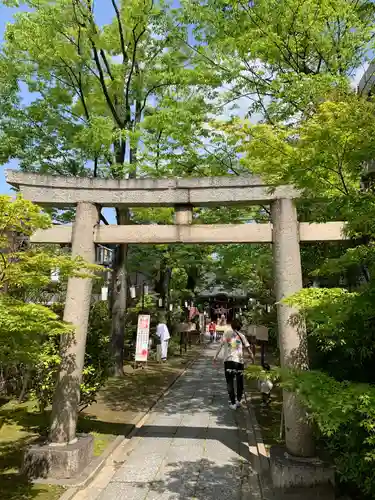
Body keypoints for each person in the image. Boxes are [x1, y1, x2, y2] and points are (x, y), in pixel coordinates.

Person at [213, 318, 254, 410]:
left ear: (231, 325)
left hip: (228, 361)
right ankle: (238, 401)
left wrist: (215, 356)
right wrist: (252, 357)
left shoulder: (226, 333)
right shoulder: (242, 336)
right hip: (239, 361)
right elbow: (248, 348)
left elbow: (220, 345)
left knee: (229, 382)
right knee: (240, 382)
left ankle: (233, 402)